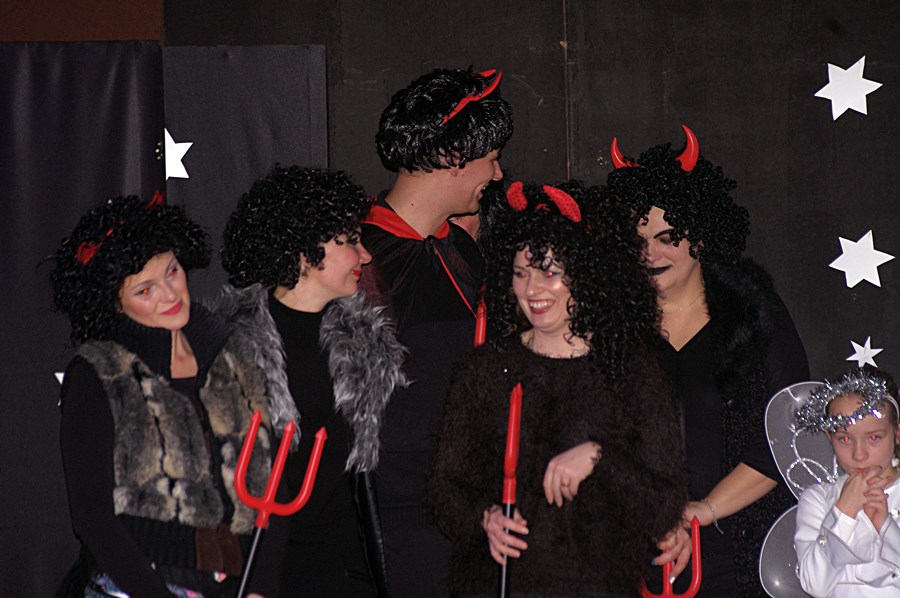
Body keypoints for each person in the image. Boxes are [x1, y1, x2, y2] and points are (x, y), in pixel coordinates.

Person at [429, 181, 688, 597]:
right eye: (521, 273)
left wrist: (599, 458)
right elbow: (445, 488)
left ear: (585, 275)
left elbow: (663, 506)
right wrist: (485, 518)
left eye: (549, 272)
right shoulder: (486, 369)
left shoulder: (631, 370)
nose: (532, 289)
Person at [604, 125, 811, 596]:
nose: (650, 253)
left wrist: (704, 511)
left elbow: (788, 435)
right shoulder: (612, 325)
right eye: (638, 239)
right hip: (638, 555)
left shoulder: (753, 315)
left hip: (741, 553)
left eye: (667, 236)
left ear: (701, 234)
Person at [52, 193, 277, 597]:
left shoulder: (230, 352)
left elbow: (270, 485)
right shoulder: (98, 373)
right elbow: (92, 516)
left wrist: (259, 586)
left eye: (172, 271)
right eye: (145, 290)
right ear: (114, 305)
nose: (170, 294)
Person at [218, 166, 407, 597]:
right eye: (350, 241)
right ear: (306, 252)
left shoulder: (367, 345)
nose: (365, 256)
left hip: (344, 572)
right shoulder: (231, 346)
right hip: (263, 574)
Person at [358, 66, 513, 596]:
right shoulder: (359, 257)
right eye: (491, 158)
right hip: (401, 521)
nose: (498, 174)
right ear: (451, 157)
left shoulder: (465, 248)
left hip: (477, 511)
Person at [793, 368, 900, 597]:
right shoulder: (819, 499)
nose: (859, 455)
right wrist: (843, 512)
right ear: (829, 437)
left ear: (897, 433)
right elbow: (815, 585)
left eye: (874, 437)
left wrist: (885, 527)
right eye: (844, 439)